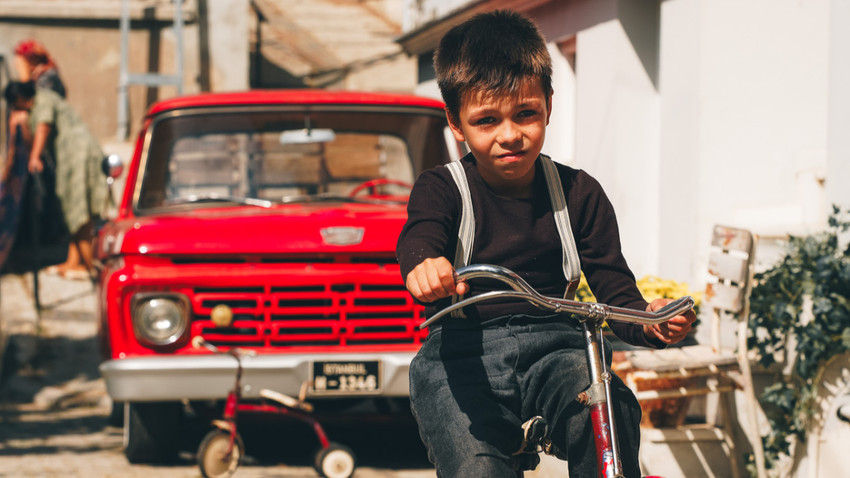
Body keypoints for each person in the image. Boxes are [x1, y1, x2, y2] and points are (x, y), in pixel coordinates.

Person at [395, 10, 696, 478]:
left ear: (549, 106)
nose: (510, 134)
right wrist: (424, 265)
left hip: (559, 350)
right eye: (487, 120)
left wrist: (648, 323)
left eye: (526, 114)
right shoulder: (442, 188)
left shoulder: (579, 192)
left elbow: (616, 292)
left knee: (609, 412)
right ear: (456, 123)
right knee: (477, 467)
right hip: (461, 354)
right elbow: (421, 236)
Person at [4, 81, 107, 279]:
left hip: (79, 155)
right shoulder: (32, 107)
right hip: (69, 159)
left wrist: (34, 158)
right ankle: (73, 261)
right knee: (72, 210)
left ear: (18, 99)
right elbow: (31, 137)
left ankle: (86, 264)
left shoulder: (43, 100)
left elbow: (43, 128)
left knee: (81, 210)